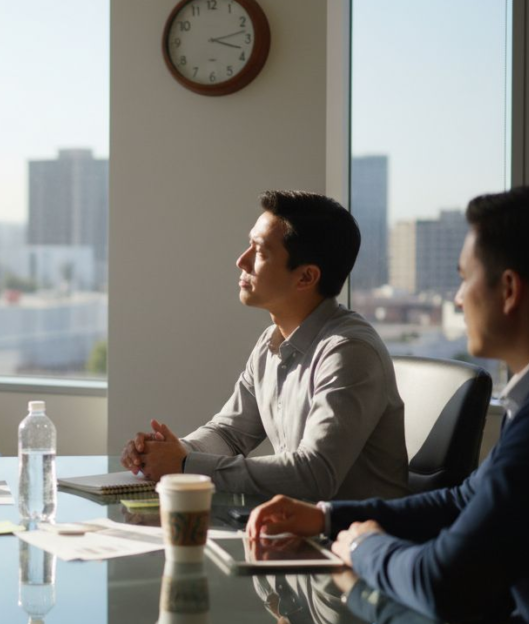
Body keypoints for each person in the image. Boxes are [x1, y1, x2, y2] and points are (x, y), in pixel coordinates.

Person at [247, 187, 529, 624]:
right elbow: (465, 499)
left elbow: (440, 581)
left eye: (464, 279)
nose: (458, 299)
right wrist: (325, 517)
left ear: (508, 290)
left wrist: (365, 546)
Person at [121, 190, 409, 501]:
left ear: (306, 277)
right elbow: (229, 434)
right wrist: (174, 451)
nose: (241, 261)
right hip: (290, 529)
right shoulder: (272, 341)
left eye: (259, 252)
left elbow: (314, 475)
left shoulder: (348, 353)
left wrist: (187, 464)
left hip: (353, 541)